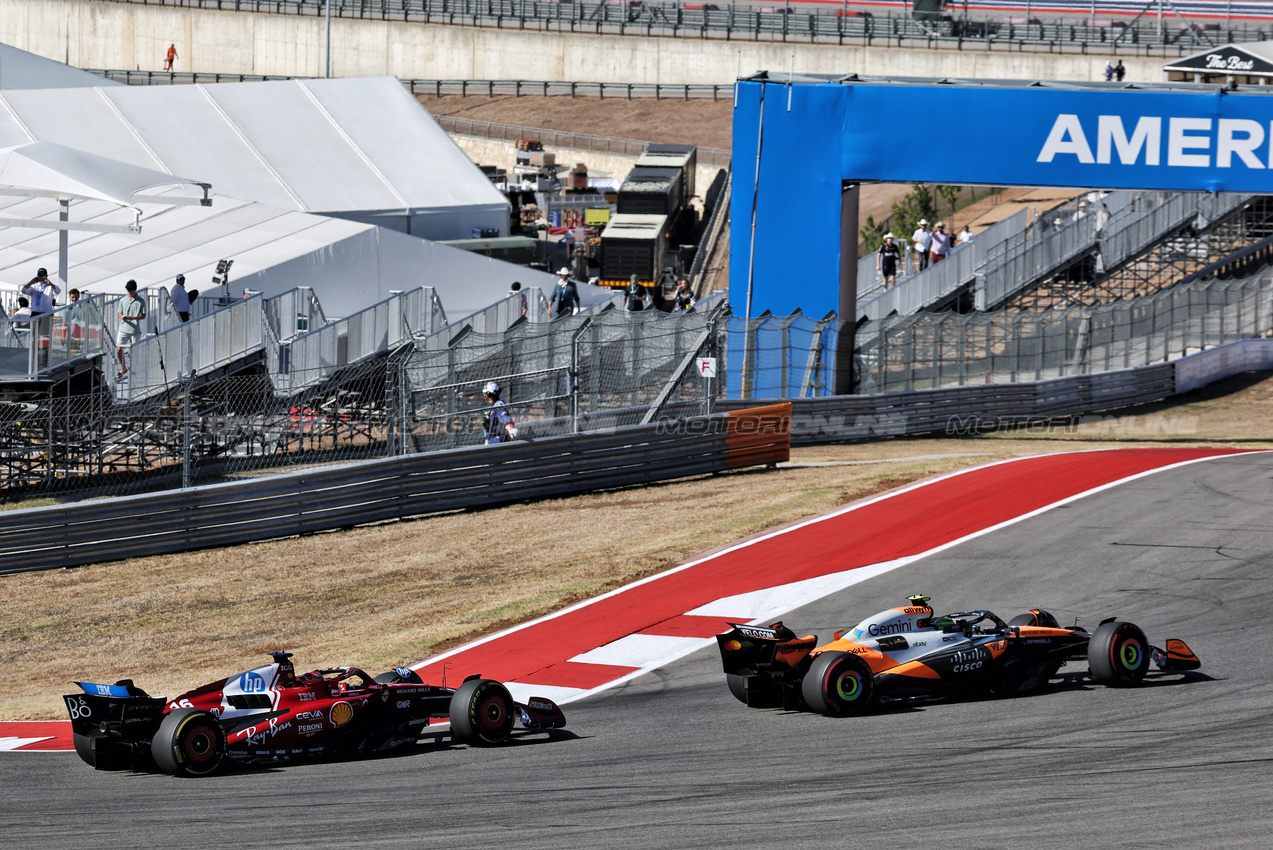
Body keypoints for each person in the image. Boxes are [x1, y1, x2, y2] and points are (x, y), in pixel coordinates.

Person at [115, 279, 146, 379]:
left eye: (131, 290)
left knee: (134, 352)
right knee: (119, 348)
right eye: (128, 290)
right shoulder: (123, 300)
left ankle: (134, 371)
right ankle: (123, 367)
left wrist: (133, 318)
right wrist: (123, 317)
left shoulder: (141, 301)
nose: (129, 292)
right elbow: (119, 312)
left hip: (134, 330)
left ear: (135, 290)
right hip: (123, 328)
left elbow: (143, 315)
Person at [480, 381, 518, 445]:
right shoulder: (491, 407)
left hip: (499, 439)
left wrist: (511, 428)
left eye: (485, 393)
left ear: (488, 394)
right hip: (492, 439)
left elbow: (503, 417)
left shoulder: (498, 404)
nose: (484, 395)